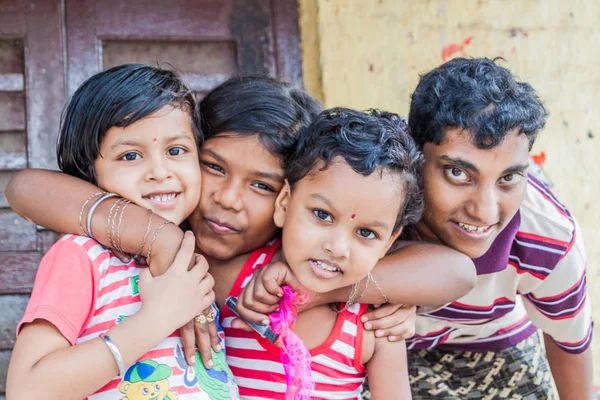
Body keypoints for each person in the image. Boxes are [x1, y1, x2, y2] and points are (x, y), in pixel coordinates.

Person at [5, 64, 238, 400]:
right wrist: (156, 319)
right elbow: (27, 391)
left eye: (176, 151)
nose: (159, 172)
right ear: (89, 172)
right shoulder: (82, 257)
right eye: (130, 155)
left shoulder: (205, 246)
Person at [385, 57, 592, 399]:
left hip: (490, 342)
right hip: (381, 348)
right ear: (415, 157)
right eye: (458, 173)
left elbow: (569, 340)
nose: (484, 211)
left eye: (509, 178)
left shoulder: (550, 238)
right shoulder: (370, 199)